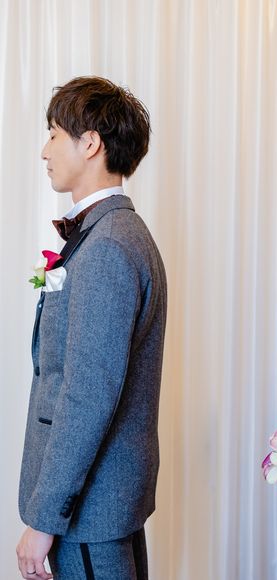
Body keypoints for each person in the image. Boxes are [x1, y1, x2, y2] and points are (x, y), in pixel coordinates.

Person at [16, 77, 167, 580]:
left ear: (90, 143)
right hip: (100, 503)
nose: (45, 150)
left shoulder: (108, 246)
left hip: (88, 512)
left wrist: (45, 518)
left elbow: (87, 395)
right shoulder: (112, 233)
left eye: (54, 134)